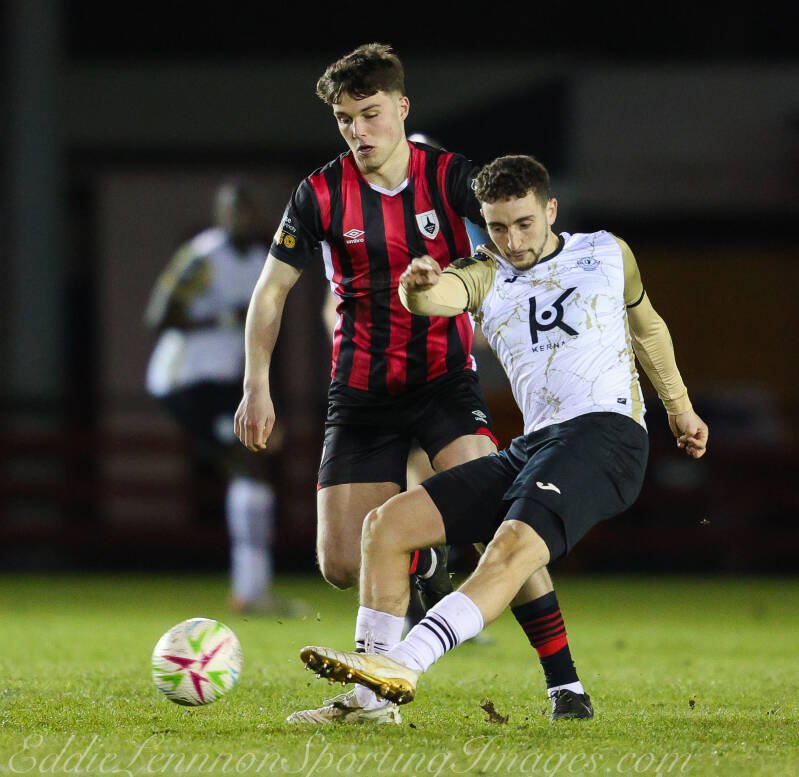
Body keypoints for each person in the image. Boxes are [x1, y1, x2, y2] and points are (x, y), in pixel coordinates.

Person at [234, 45, 589, 723]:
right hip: (361, 394)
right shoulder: (318, 192)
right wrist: (257, 384)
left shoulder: (451, 177)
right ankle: (415, 581)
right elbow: (271, 292)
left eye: (369, 114)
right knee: (340, 562)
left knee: (502, 525)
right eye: (344, 120)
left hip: (443, 385)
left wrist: (477, 285)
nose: (358, 131)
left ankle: (563, 683)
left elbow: (514, 246)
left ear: (400, 109)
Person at [299, 154, 709, 716]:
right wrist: (417, 288)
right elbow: (436, 298)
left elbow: (648, 326)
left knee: (511, 547)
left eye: (523, 223)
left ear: (551, 210)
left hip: (607, 436)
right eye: (496, 226)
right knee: (386, 526)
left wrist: (680, 409)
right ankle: (373, 699)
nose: (512, 240)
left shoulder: (607, 252)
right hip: (537, 444)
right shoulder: (486, 271)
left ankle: (403, 662)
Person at [145, 181, 301, 616]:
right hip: (185, 379)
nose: (240, 219)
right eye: (233, 211)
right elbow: (157, 316)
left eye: (247, 211)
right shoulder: (202, 256)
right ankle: (252, 591)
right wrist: (219, 318)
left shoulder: (260, 261)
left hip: (227, 381)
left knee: (257, 458)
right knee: (247, 460)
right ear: (219, 214)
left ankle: (253, 590)